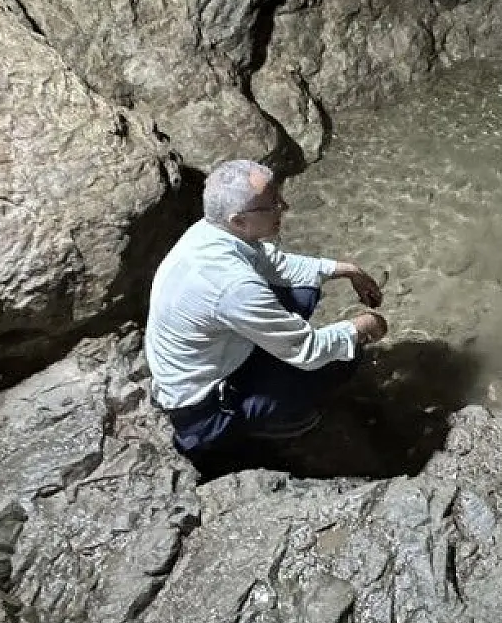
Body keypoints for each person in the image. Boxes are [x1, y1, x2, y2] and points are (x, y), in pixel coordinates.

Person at [145, 159, 389, 461]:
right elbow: (308, 351)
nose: (284, 207)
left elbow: (276, 264)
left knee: (302, 290)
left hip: (216, 361)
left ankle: (269, 385)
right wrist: (364, 325)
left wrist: (349, 270)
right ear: (238, 220)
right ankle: (268, 423)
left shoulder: (210, 233)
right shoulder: (233, 285)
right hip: (207, 410)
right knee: (345, 356)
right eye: (272, 204)